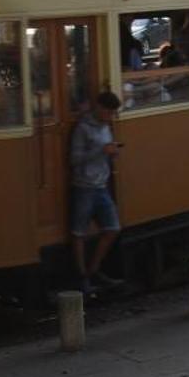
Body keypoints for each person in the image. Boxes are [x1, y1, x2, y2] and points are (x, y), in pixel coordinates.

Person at [68, 91, 122, 295]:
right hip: (84, 186)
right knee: (78, 232)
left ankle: (93, 270)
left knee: (112, 228)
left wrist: (112, 152)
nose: (110, 117)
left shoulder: (105, 126)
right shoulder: (83, 128)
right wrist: (102, 151)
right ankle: (82, 275)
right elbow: (74, 159)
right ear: (99, 108)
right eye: (108, 112)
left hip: (101, 185)